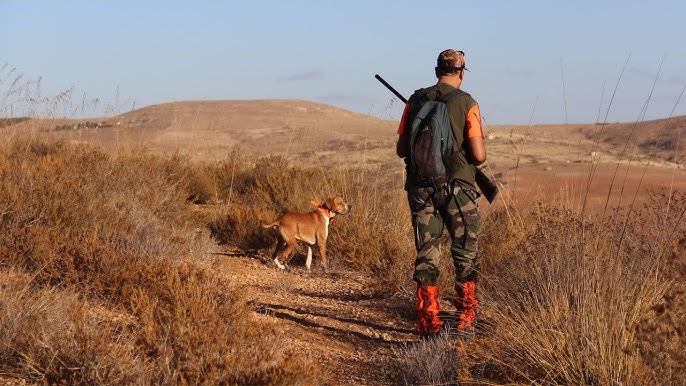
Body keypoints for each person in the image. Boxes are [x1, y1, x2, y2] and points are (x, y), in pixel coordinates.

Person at [396, 49, 486, 336]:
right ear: (461, 72)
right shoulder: (468, 103)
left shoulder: (415, 100)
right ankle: (465, 319)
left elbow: (401, 149)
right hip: (459, 191)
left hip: (421, 190)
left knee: (427, 254)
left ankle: (429, 323)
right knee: (464, 253)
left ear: (437, 71)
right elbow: (479, 155)